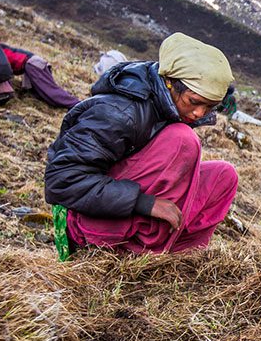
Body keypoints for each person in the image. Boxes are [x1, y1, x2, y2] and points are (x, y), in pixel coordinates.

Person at [44, 33, 239, 254]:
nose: (199, 113)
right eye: (194, 102)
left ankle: (175, 253)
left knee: (224, 176)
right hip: (85, 226)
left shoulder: (172, 107)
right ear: (169, 83)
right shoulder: (119, 112)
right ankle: (122, 250)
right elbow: (61, 181)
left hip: (128, 212)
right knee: (182, 140)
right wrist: (144, 203)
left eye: (210, 107)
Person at [0, 41, 80, 108]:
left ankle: (77, 104)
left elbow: (4, 69)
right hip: (32, 63)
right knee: (40, 94)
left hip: (32, 64)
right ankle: (75, 104)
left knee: (50, 92)